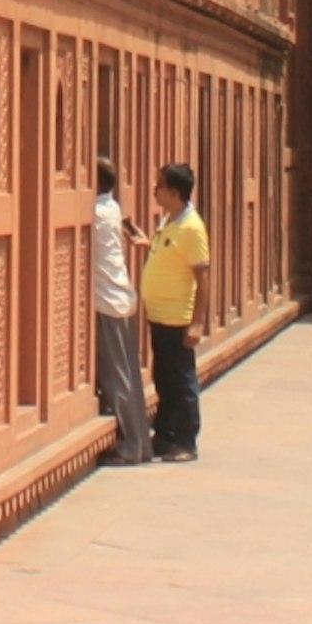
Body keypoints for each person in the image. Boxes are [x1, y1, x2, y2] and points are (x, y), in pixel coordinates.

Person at [141, 162, 211, 463]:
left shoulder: (191, 228)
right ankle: (165, 435)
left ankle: (186, 440)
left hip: (178, 317)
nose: (155, 190)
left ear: (173, 192)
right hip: (159, 315)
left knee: (181, 380)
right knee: (164, 378)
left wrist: (197, 323)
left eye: (159, 186)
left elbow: (202, 277)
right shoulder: (169, 222)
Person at [89, 158, 152, 465]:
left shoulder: (97, 213)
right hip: (121, 295)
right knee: (130, 376)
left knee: (118, 378)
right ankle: (141, 441)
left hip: (107, 301)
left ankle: (131, 445)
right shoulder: (111, 208)